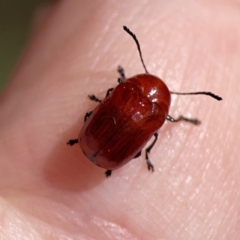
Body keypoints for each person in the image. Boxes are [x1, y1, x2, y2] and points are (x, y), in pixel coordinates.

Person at [0, 1, 237, 239]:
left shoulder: (125, 89)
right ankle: (139, 154)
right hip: (109, 155)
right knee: (145, 133)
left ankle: (85, 142)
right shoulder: (156, 115)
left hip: (91, 140)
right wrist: (145, 154)